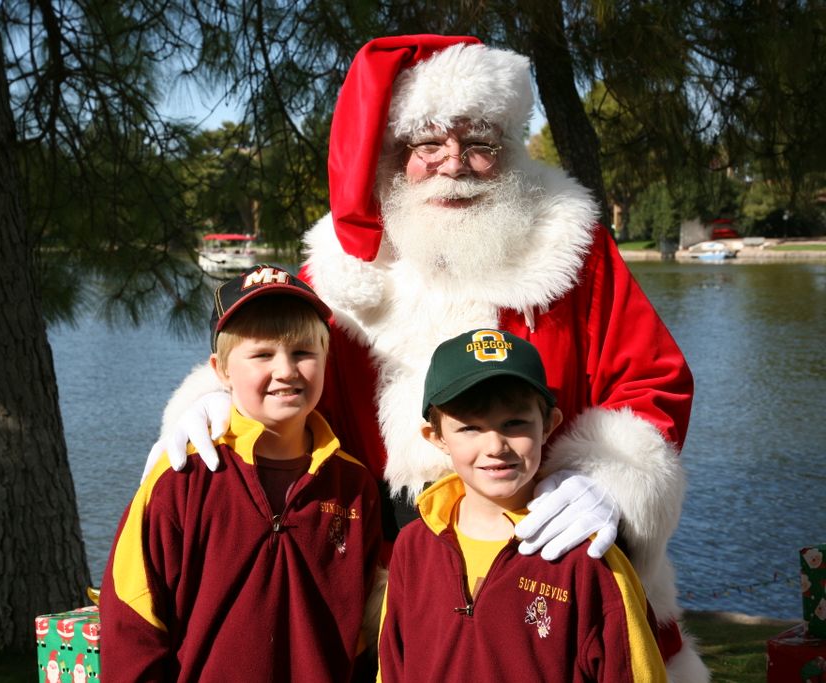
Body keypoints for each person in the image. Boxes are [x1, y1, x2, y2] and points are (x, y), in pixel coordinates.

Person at [150, 35, 706, 680]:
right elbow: (279, 361)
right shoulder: (342, 267)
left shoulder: (571, 247)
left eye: (480, 145)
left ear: (511, 150)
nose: (455, 164)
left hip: (536, 545)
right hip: (384, 563)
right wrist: (215, 401)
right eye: (429, 145)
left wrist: (608, 479)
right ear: (395, 155)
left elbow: (652, 377)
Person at [101, 264, 382, 681]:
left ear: (327, 358)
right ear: (221, 370)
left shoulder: (354, 486)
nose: (286, 370)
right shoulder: (182, 478)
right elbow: (131, 621)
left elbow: (365, 631)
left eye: (303, 352)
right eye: (262, 354)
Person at [377, 328, 666, 682]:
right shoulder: (414, 546)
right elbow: (391, 666)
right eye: (470, 428)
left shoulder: (589, 558)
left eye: (514, 423)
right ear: (436, 438)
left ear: (548, 425)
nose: (496, 445)